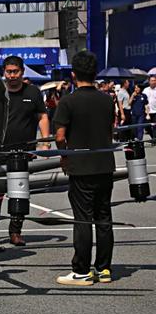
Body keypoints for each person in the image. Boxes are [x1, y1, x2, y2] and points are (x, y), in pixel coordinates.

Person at [53, 51, 116, 286]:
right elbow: (110, 131)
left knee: (82, 219)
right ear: (95, 73)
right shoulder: (107, 99)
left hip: (80, 166)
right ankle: (104, 268)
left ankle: (81, 270)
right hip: (104, 163)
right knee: (103, 217)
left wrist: (64, 156)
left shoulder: (68, 101)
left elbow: (59, 136)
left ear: (73, 75)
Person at [0, 56, 51, 247]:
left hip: (23, 151)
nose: (12, 76)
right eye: (9, 72)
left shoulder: (33, 92)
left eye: (15, 72)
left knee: (19, 192)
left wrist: (44, 142)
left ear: (22, 72)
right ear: (4, 72)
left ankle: (16, 231)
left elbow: (42, 116)